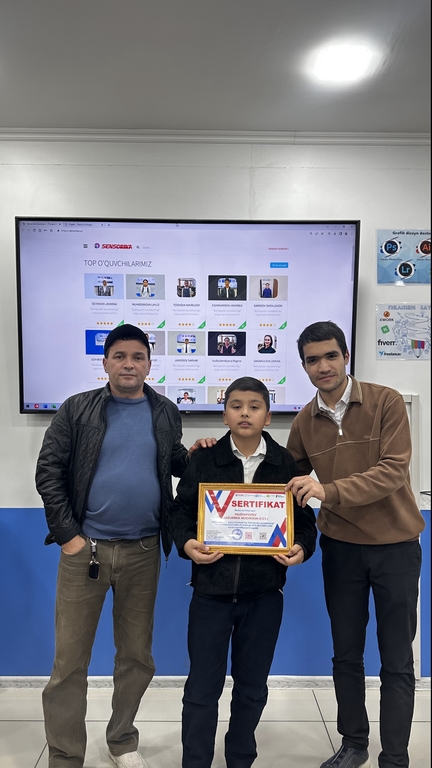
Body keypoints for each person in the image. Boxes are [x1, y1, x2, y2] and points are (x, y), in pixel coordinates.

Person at [35, 323, 216, 768]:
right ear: (105, 363)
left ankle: (121, 741)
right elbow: (48, 472)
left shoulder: (165, 410)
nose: (128, 364)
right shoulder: (76, 409)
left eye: (137, 357)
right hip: (86, 553)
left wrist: (196, 455)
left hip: (143, 553)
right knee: (69, 664)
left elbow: (170, 461)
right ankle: (65, 755)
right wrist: (69, 537)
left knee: (136, 658)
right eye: (119, 356)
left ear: (149, 364)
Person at [286, 321, 425, 768]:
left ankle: (396, 757)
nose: (323, 366)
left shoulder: (386, 401)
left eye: (331, 356)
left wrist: (328, 490)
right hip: (341, 550)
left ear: (346, 357)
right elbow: (280, 477)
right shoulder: (304, 421)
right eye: (312, 360)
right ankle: (354, 744)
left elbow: (392, 471)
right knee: (346, 654)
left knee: (397, 659)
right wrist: (215, 450)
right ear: (304, 366)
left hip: (396, 548)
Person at [170, 376, 317, 768]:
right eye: (236, 406)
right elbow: (180, 511)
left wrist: (301, 548)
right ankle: (195, 762)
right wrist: (187, 543)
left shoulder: (284, 463)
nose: (245, 413)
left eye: (254, 406)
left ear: (268, 416)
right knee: (201, 689)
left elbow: (305, 523)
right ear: (224, 415)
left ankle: (240, 759)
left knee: (251, 689)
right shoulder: (204, 459)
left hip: (264, 596)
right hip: (210, 595)